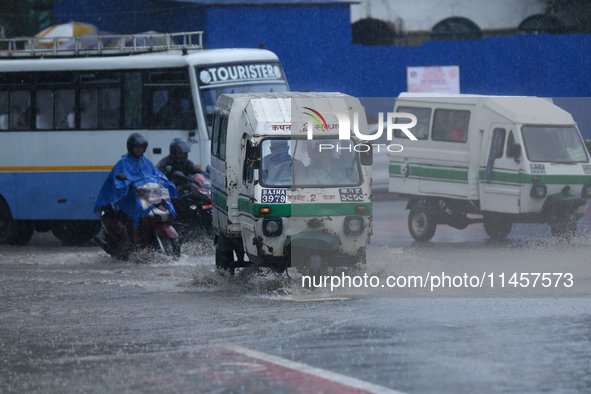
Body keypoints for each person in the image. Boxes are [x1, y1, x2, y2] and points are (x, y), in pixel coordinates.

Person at [94, 133, 179, 247]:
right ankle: (135, 241)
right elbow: (118, 184)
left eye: (142, 147)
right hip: (127, 198)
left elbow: (156, 174)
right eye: (137, 147)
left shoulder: (146, 161)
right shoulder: (123, 162)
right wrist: (127, 186)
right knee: (135, 213)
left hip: (145, 196)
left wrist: (164, 180)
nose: (140, 150)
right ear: (131, 147)